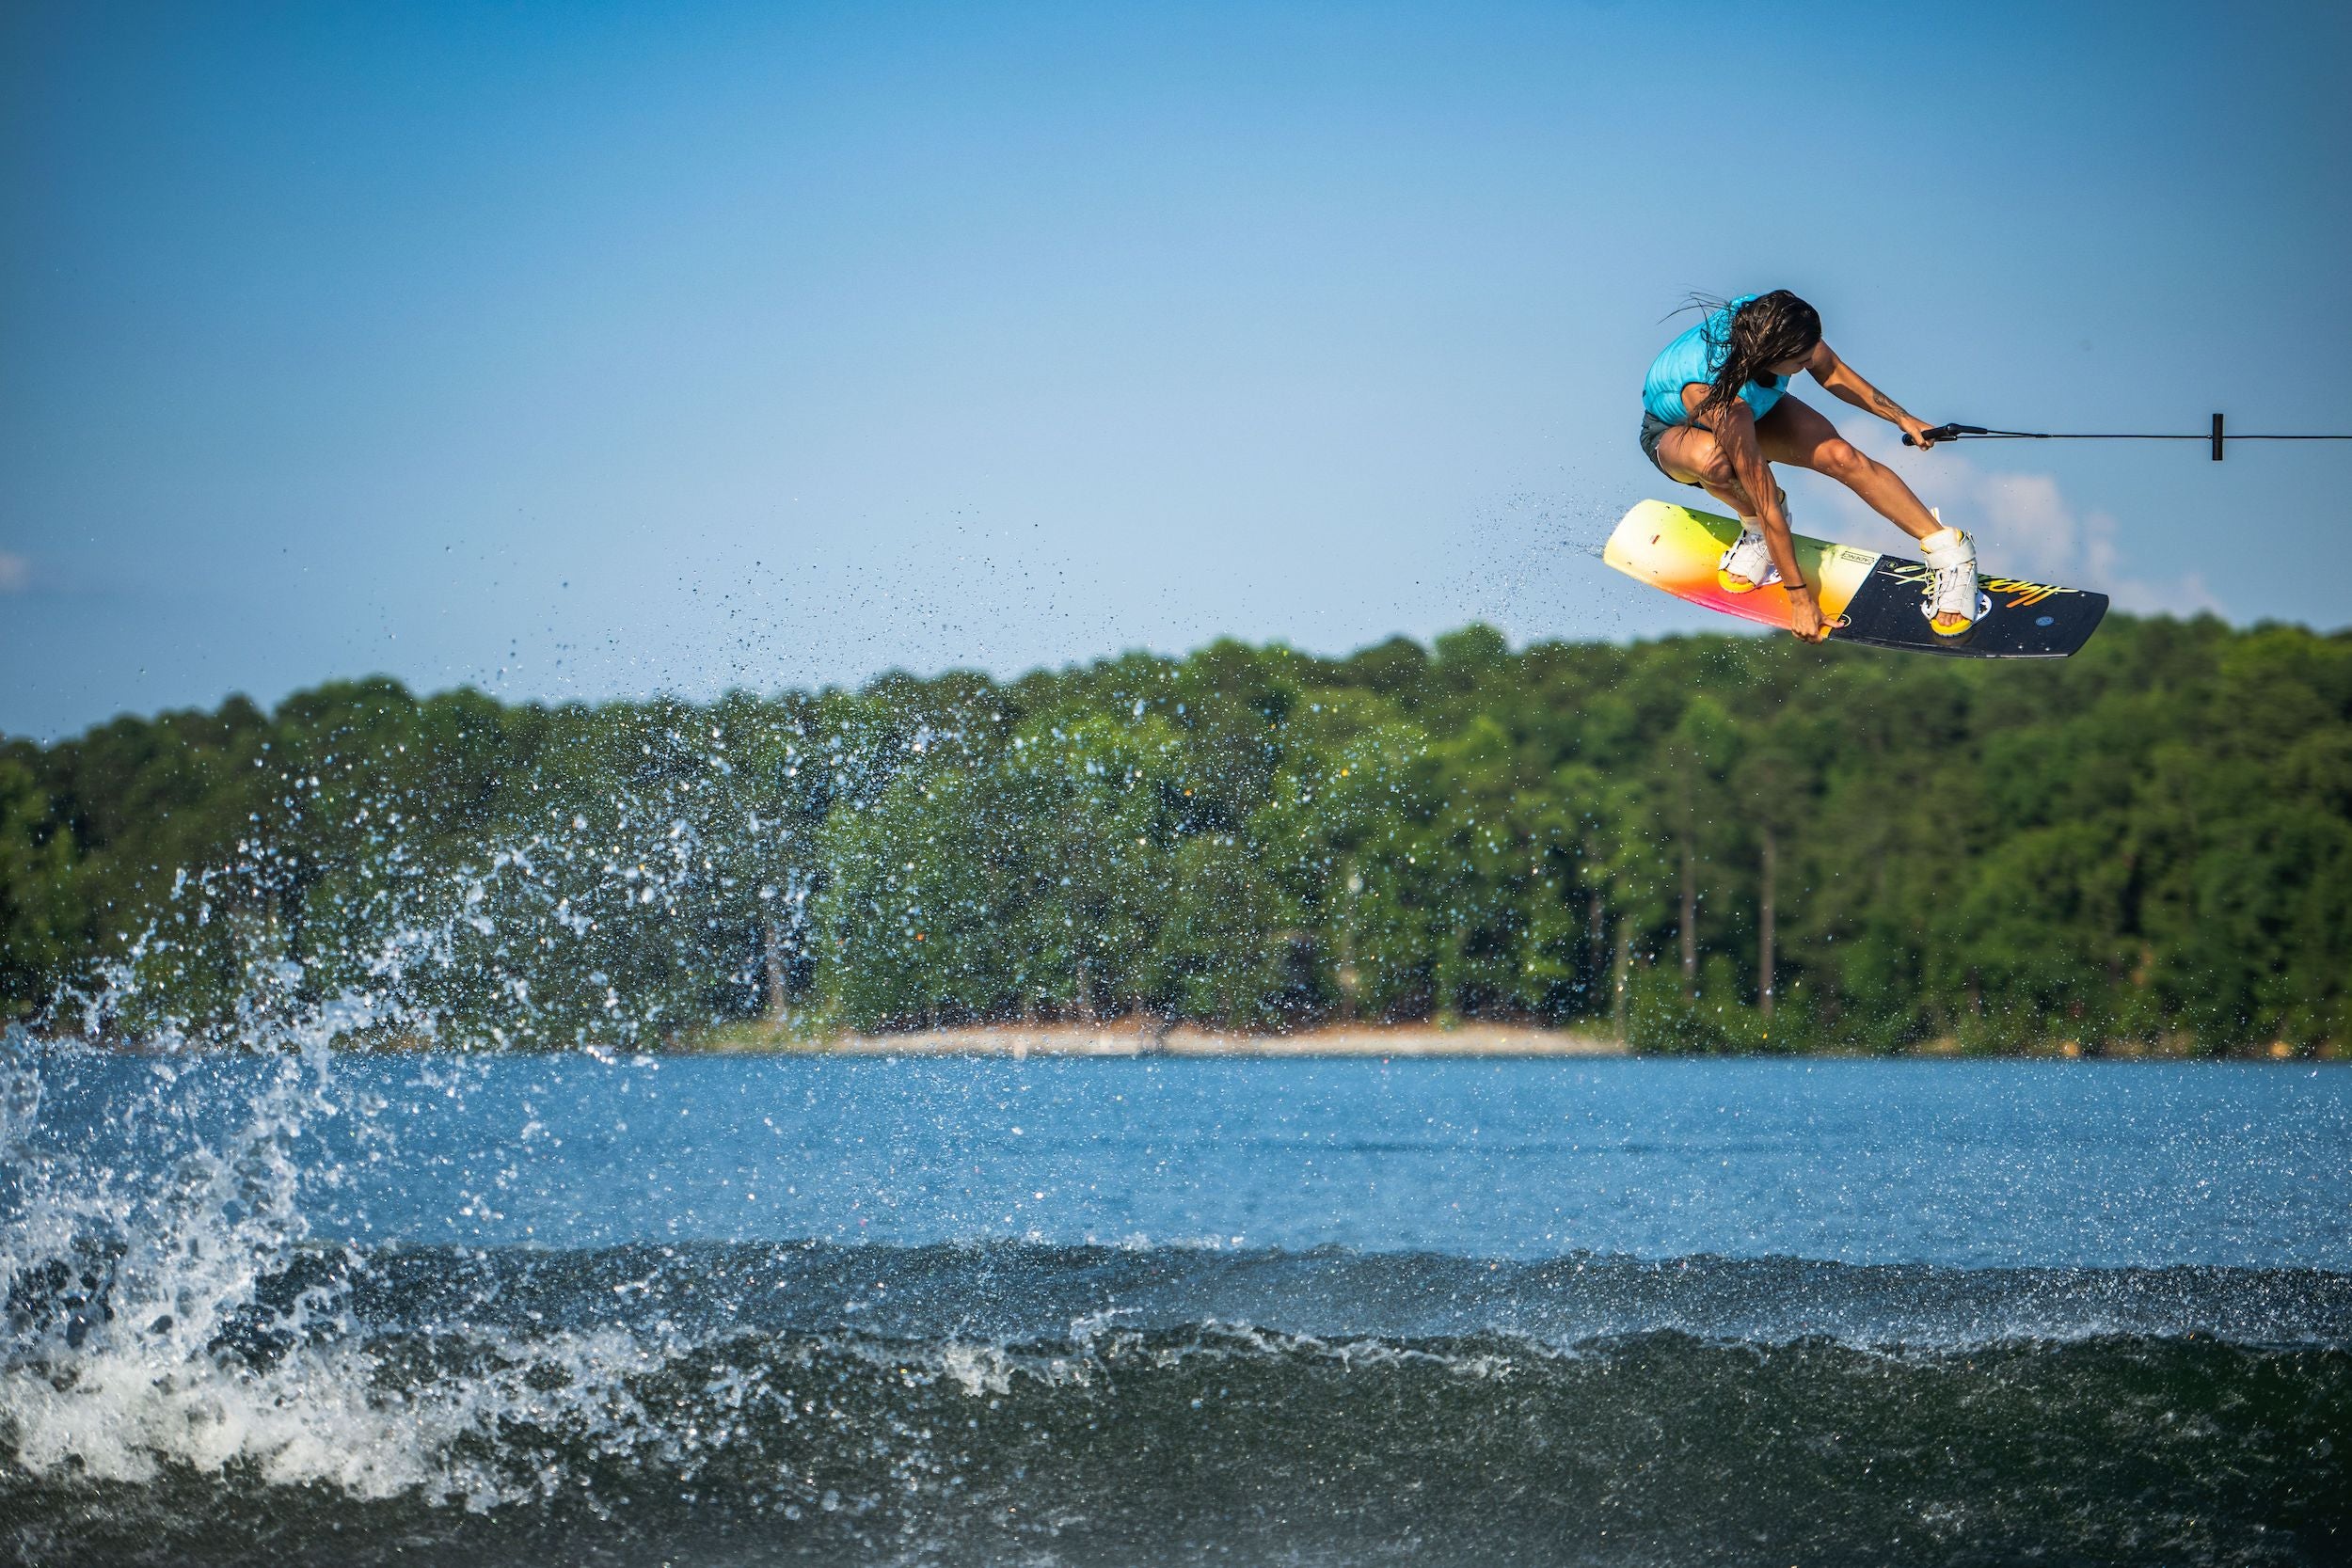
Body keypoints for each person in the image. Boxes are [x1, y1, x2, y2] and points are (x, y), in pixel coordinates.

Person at [1639, 290, 1979, 641]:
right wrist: (1799, 598)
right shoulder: (1719, 400)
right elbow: (1766, 498)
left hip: (1751, 406)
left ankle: (1950, 552)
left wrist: (1904, 418)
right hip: (1676, 433)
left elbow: (1831, 370)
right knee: (1717, 464)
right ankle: (1756, 532)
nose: (1808, 364)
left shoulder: (1773, 319)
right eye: (1801, 361)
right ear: (1772, 356)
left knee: (1841, 456)